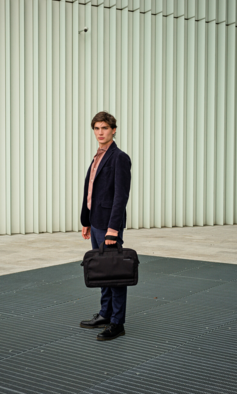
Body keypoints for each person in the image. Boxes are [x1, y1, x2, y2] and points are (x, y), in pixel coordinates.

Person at [79, 111, 132, 341]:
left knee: (115, 273)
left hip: (109, 225)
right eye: (97, 128)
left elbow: (120, 196)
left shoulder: (119, 158)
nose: (100, 132)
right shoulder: (97, 157)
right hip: (96, 221)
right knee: (103, 271)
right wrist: (86, 220)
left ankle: (117, 323)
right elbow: (90, 190)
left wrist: (113, 228)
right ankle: (105, 314)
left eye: (105, 128)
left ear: (114, 130)